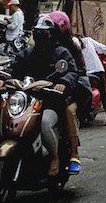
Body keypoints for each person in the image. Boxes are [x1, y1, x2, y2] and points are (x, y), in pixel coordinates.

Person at [12, 12, 84, 175]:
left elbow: (73, 72)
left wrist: (63, 83)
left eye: (43, 33)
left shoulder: (62, 52)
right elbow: (15, 69)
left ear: (51, 34)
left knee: (46, 123)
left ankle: (55, 157)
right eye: (37, 33)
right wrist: (2, 80)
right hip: (29, 100)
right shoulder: (27, 53)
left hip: (52, 100)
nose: (39, 36)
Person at [77, 30, 106, 125]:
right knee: (102, 92)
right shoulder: (88, 41)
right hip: (92, 72)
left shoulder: (80, 44)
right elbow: (103, 48)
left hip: (89, 72)